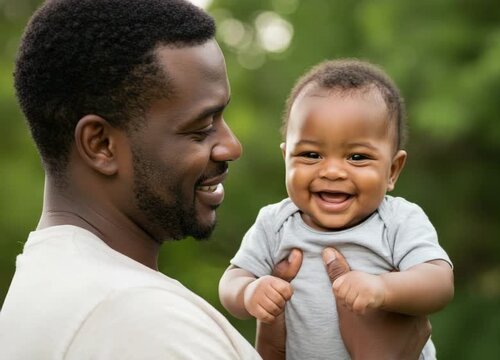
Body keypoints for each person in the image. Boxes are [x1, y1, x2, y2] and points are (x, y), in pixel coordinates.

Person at [0, 0, 431, 359]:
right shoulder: (139, 319)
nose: (232, 146)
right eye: (200, 127)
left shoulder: (52, 286)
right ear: (101, 144)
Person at [219, 59, 455, 359]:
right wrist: (248, 292)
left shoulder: (397, 220)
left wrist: (383, 288)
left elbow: (438, 282)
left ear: (392, 170)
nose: (332, 171)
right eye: (311, 154)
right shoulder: (275, 223)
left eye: (357, 157)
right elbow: (232, 279)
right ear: (286, 159)